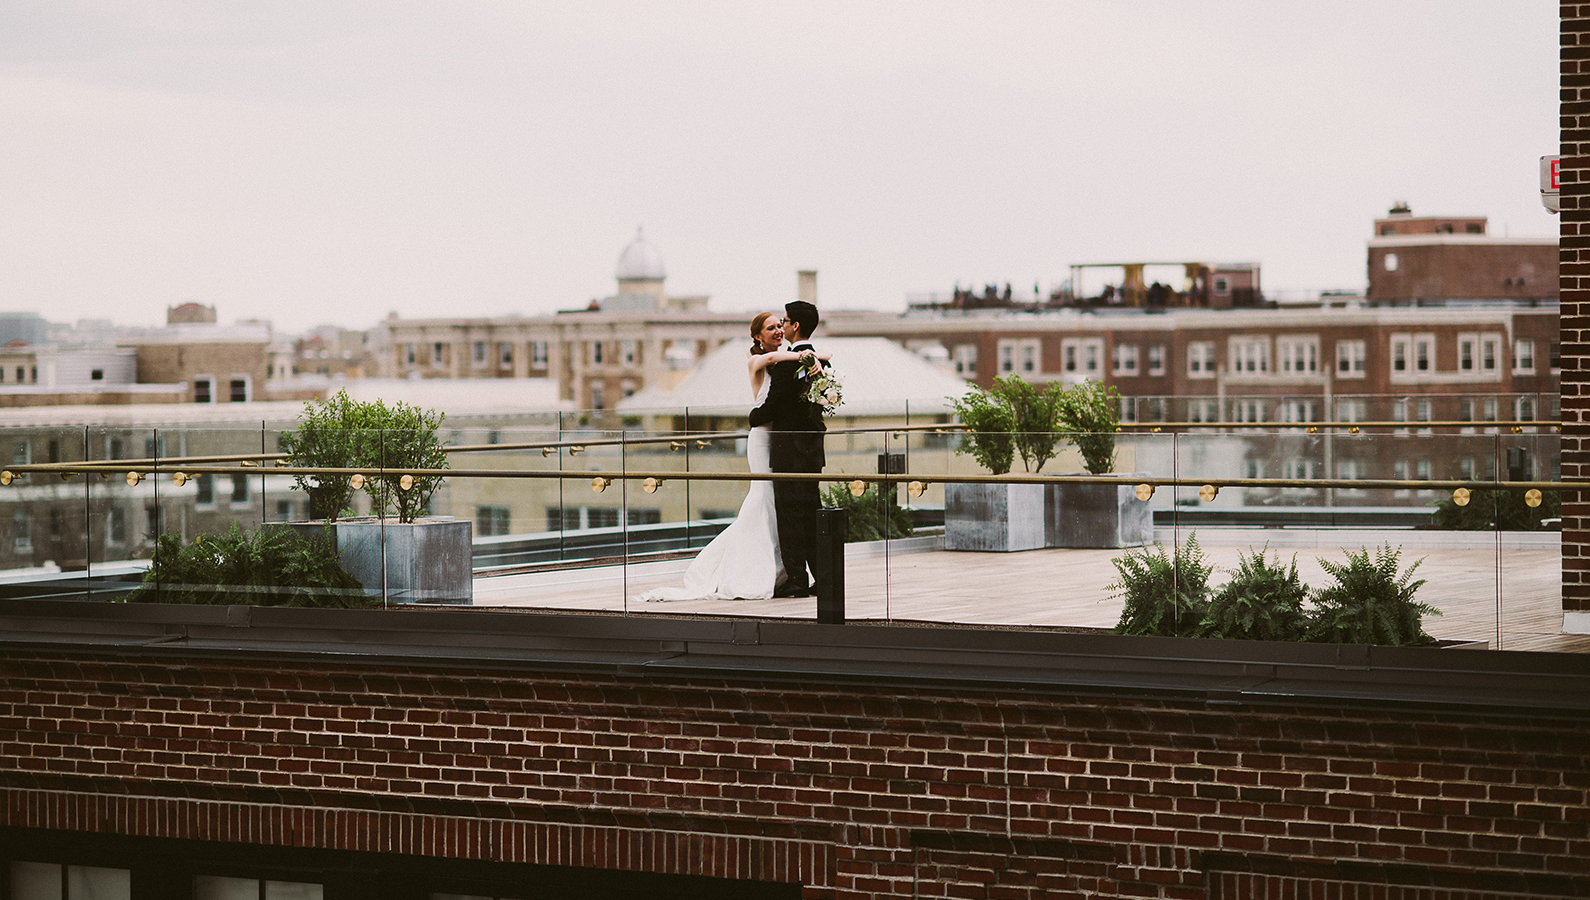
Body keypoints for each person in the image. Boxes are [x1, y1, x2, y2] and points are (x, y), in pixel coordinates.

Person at [639, 312, 819, 602]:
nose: (777, 331)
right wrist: (809, 357)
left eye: (778, 326)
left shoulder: (789, 356)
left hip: (780, 441)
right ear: (758, 336)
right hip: (761, 441)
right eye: (770, 328)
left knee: (776, 506)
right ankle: (750, 571)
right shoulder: (758, 360)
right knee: (763, 499)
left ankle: (780, 570)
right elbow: (772, 361)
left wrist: (811, 356)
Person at [749, 300, 828, 598]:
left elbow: (771, 407)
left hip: (786, 450)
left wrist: (752, 417)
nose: (781, 327)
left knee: (790, 515)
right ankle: (823, 577)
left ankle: (796, 579)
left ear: (795, 326)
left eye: (784, 321)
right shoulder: (823, 362)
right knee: (812, 511)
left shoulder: (787, 364)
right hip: (812, 448)